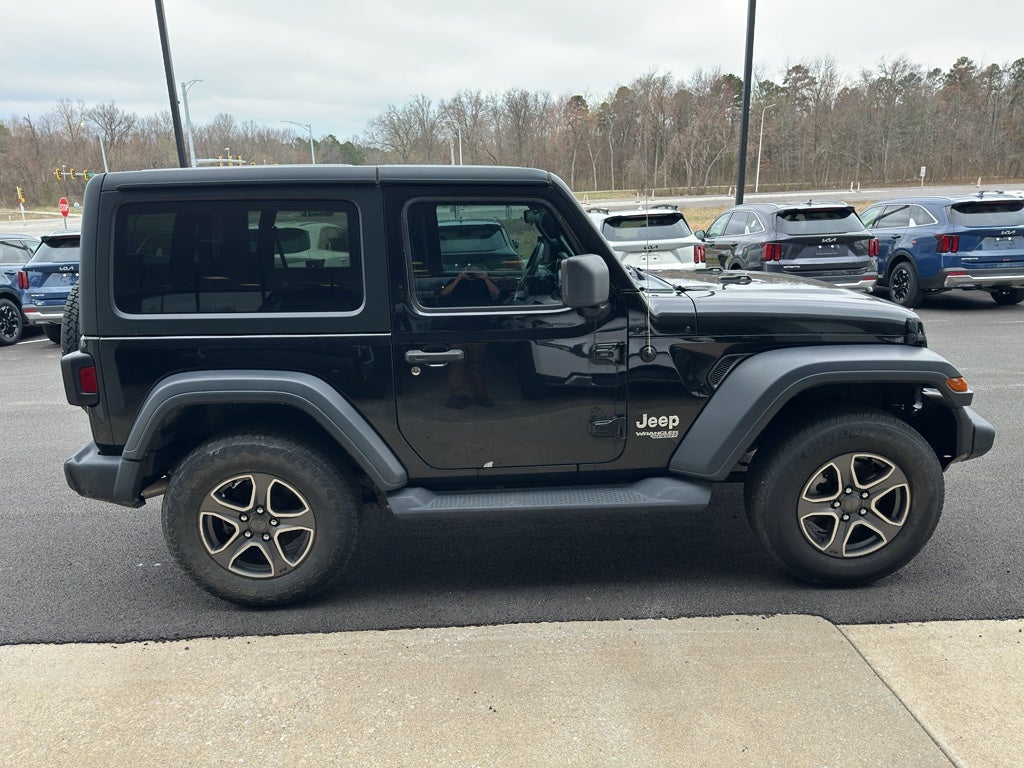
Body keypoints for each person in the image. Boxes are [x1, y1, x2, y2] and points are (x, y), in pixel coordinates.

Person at [439, 265, 499, 408]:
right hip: (458, 327)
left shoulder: (484, 280)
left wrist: (486, 278)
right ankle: (458, 395)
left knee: (477, 364)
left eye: (474, 268)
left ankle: (481, 394)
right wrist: (458, 278)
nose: (471, 271)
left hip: (480, 327)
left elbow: (496, 293)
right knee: (456, 364)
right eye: (468, 268)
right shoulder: (456, 280)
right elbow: (443, 294)